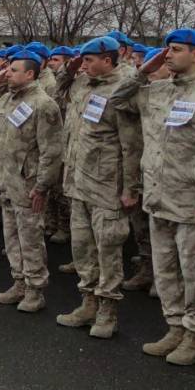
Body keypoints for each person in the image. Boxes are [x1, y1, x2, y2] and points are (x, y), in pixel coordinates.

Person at [129, 29, 195, 366]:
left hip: (192, 201)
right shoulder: (157, 91)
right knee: (165, 270)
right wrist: (144, 69)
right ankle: (174, 327)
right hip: (159, 196)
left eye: (175, 50)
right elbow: (119, 99)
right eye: (166, 50)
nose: (168, 55)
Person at [55, 36, 141, 337]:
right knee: (82, 248)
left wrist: (131, 188)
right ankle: (88, 301)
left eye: (90, 59)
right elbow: (58, 88)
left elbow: (131, 145)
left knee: (108, 250)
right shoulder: (80, 84)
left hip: (107, 186)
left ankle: (107, 311)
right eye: (83, 59)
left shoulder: (123, 89)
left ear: (108, 58)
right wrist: (73, 66)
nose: (85, 64)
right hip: (78, 182)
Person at [0, 49, 63, 311]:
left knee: (30, 240)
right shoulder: (6, 99)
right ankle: (18, 283)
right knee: (12, 238)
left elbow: (51, 151)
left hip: (28, 185)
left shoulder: (43, 104)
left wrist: (42, 186)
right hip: (6, 182)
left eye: (13, 70)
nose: (7, 73)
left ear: (30, 73)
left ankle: (35, 290)